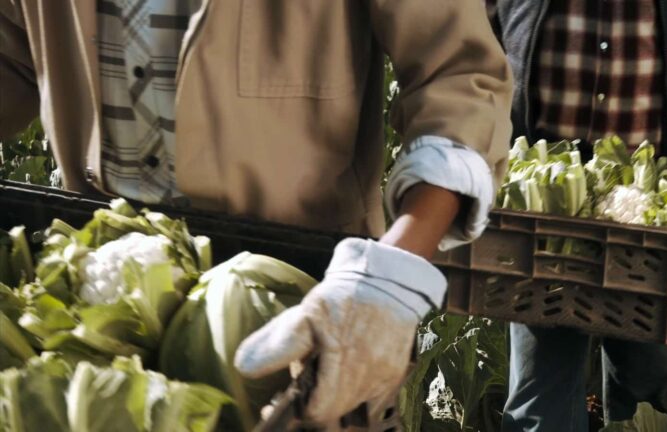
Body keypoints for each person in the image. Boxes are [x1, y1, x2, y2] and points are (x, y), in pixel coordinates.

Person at [0, 0, 513, 424]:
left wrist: (391, 277)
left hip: (300, 311)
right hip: (96, 322)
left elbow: (458, 76)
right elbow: (14, 55)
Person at [491, 1, 667, 431]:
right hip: (543, 209)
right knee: (540, 400)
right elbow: (470, 36)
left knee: (646, 391)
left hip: (662, 214)